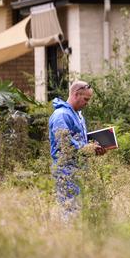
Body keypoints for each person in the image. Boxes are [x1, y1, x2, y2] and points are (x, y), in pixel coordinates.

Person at [48, 81, 105, 216]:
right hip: (66, 170)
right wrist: (88, 148)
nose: (87, 103)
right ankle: (67, 237)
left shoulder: (78, 115)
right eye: (85, 99)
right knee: (69, 210)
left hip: (78, 168)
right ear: (75, 94)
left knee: (78, 210)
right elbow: (64, 142)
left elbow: (80, 141)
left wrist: (95, 149)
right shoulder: (61, 115)